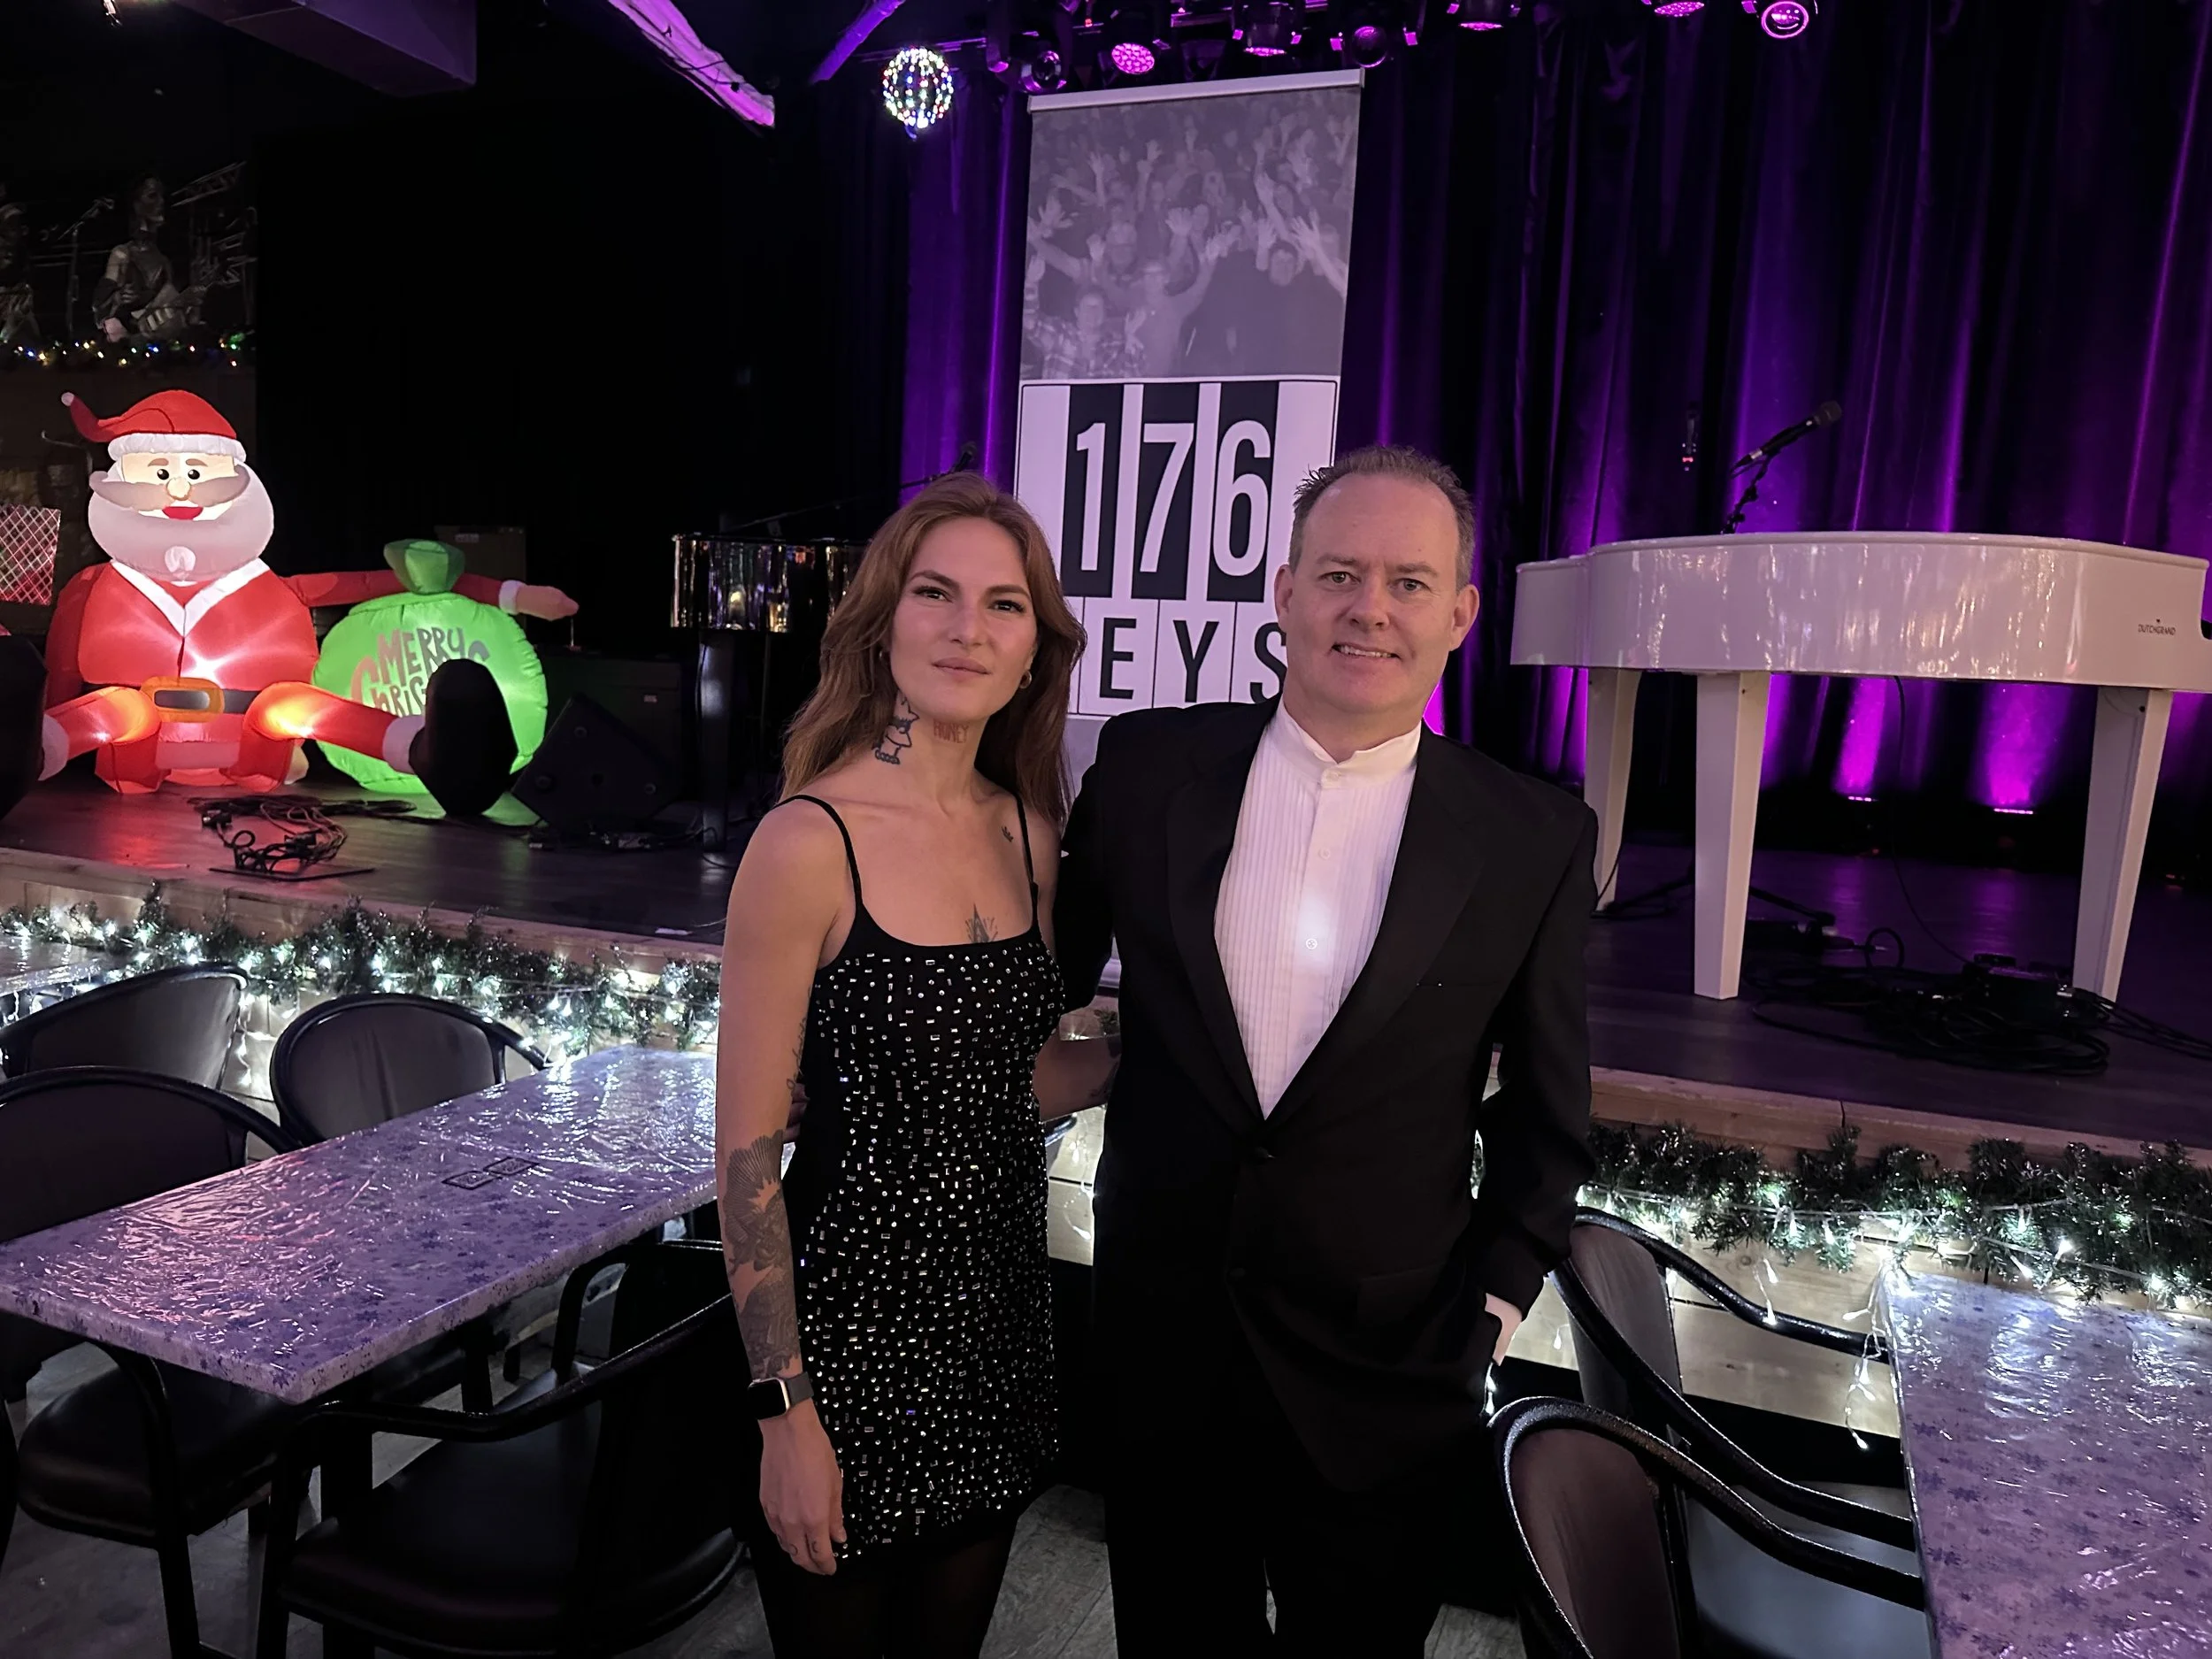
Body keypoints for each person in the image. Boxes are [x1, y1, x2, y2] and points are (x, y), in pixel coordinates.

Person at [1056, 444, 1599, 1655]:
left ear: (1459, 614)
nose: (1372, 607)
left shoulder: (1534, 838)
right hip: (1164, 1348)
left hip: (1391, 1373)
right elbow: (1032, 980)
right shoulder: (1144, 770)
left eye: (1412, 582)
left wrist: (1493, 1310)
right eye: (1341, 573)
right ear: (1286, 591)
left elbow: (1548, 1113)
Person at [713, 473, 1101, 1657]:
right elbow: (744, 1162)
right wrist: (787, 1416)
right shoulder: (807, 840)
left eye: (1002, 604)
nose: (966, 629)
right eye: (935, 594)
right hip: (841, 1346)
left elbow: (996, 1094)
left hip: (992, 1331)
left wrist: (1145, 1053)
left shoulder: (1033, 832)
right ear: (884, 622)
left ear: (1037, 649)